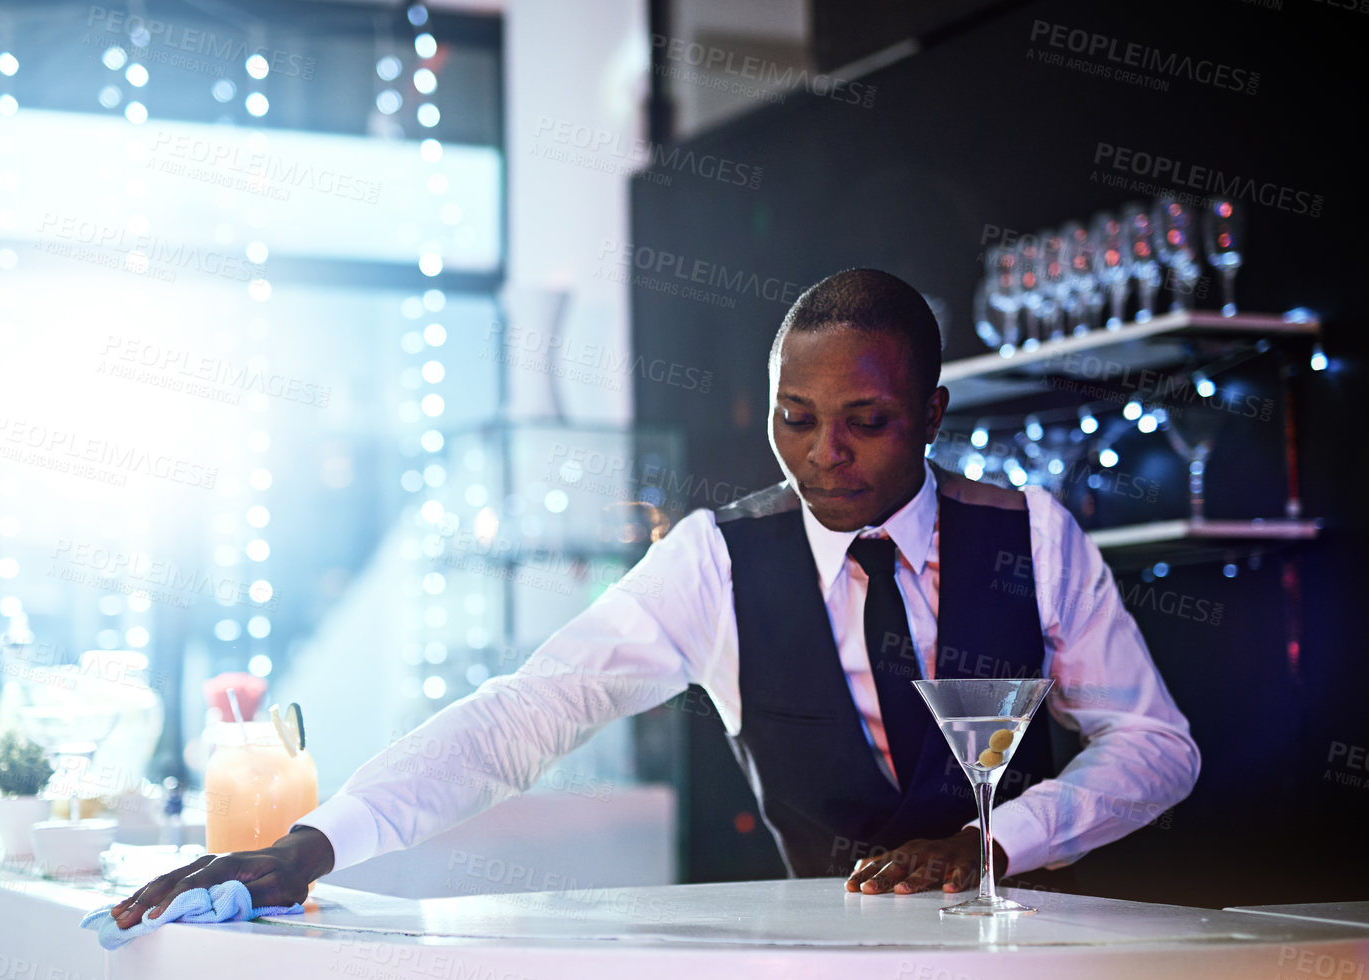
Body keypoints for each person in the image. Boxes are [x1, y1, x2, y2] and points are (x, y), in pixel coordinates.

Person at [111, 268, 1199, 928]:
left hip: (1032, 953)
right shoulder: (715, 560)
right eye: (793, 416)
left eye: (863, 419)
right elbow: (525, 711)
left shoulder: (1030, 537)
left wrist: (1000, 836)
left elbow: (1154, 744)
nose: (821, 455)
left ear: (930, 411)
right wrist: (316, 840)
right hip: (827, 972)